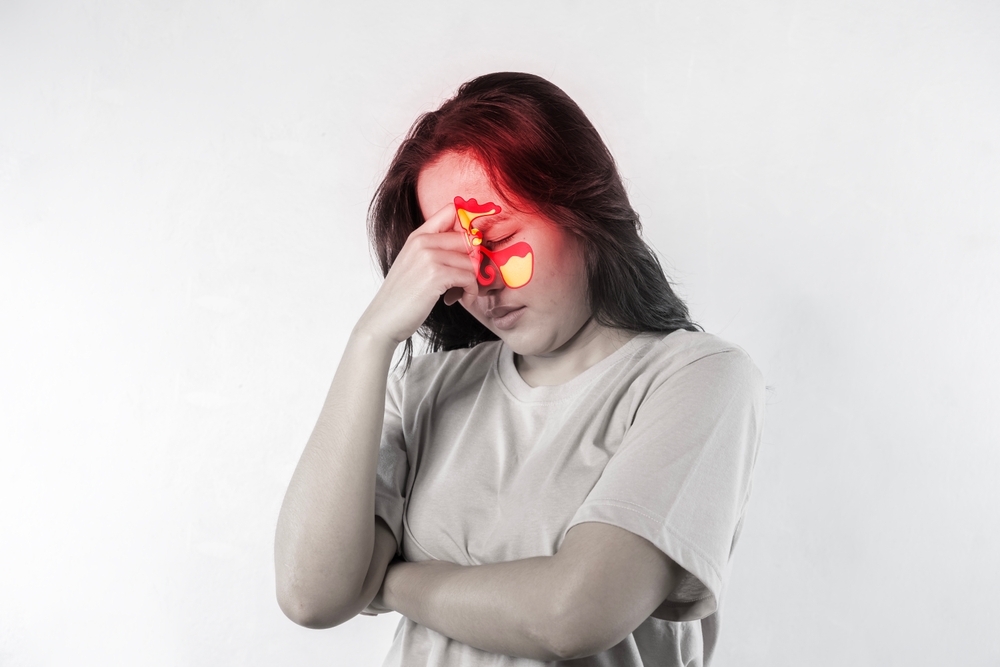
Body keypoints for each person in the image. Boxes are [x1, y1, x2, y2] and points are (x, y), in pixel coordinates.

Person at [274, 71, 766, 666]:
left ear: (581, 206)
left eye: (498, 238)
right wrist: (371, 338)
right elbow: (311, 596)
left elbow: (574, 614)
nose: (481, 283)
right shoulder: (426, 391)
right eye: (453, 255)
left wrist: (391, 582)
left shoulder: (698, 376)